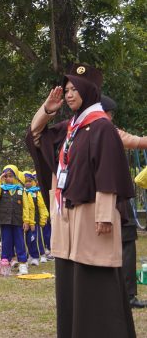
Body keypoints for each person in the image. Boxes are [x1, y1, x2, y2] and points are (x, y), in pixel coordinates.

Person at [26, 63, 135, 338]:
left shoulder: (101, 127)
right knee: (70, 278)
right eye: (67, 89)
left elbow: (108, 172)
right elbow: (36, 137)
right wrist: (47, 109)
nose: (69, 94)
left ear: (88, 91)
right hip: (67, 215)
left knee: (93, 275)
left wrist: (105, 215)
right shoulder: (69, 128)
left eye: (75, 89)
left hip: (91, 216)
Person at [101, 94, 147, 309]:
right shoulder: (107, 131)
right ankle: (127, 295)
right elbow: (136, 141)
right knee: (127, 242)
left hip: (91, 199)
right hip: (116, 197)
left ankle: (104, 295)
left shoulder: (75, 131)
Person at [0, 165, 34, 275]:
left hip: (18, 221)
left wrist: (26, 220)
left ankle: (22, 263)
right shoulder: (1, 189)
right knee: (6, 242)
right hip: (4, 221)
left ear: (16, 177)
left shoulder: (21, 190)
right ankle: (5, 262)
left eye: (11, 176)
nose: (8, 178)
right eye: (6, 176)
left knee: (20, 242)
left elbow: (26, 207)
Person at [23, 171, 49, 265]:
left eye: (30, 181)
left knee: (38, 238)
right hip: (26, 221)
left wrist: (44, 217)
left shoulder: (37, 192)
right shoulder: (22, 192)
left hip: (36, 220)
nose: (28, 183)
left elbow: (42, 206)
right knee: (28, 239)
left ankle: (41, 255)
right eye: (26, 181)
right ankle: (31, 255)